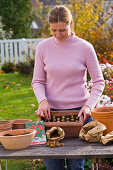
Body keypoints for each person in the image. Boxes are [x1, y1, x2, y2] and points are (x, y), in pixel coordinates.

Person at [32, 5, 105, 170]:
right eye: (54, 30)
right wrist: (42, 101)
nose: (58, 35)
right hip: (51, 114)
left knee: (76, 167)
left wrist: (88, 106)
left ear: (71, 23)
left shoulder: (85, 47)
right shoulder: (43, 48)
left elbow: (99, 81)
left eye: (62, 30)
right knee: (52, 167)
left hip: (80, 114)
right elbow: (37, 81)